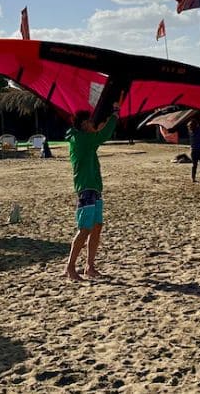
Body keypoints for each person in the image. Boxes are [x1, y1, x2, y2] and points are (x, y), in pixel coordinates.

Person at [65, 106, 118, 281]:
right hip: (86, 188)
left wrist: (107, 118)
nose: (92, 125)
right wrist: (114, 116)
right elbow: (103, 135)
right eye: (89, 122)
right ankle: (70, 268)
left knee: (96, 227)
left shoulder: (86, 139)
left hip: (94, 187)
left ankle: (89, 266)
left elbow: (99, 132)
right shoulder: (80, 139)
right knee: (84, 229)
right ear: (83, 125)